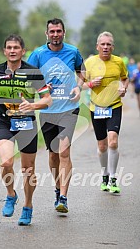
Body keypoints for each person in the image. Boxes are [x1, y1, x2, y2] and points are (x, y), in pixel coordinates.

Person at [0, 34, 52, 225]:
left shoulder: (33, 72)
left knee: (28, 170)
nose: (12, 51)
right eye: (9, 48)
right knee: (5, 162)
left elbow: (47, 100)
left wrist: (33, 106)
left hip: (27, 123)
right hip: (5, 121)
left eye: (16, 48)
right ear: (4, 51)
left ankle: (28, 206)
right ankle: (11, 194)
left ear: (23, 51)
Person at [27, 18, 84, 213]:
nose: (55, 35)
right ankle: (57, 189)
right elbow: (28, 79)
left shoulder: (73, 51)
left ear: (64, 33)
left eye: (59, 31)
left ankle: (64, 198)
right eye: (52, 31)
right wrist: (41, 89)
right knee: (53, 155)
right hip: (48, 110)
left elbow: (82, 72)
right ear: (47, 34)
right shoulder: (38, 54)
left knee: (64, 151)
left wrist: (79, 87)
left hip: (69, 108)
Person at [83, 31, 129, 193]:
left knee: (113, 141)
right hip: (96, 108)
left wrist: (124, 87)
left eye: (108, 44)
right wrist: (90, 84)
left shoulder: (118, 62)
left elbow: (125, 78)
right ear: (97, 46)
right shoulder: (89, 63)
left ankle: (114, 178)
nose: (105, 47)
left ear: (113, 47)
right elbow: (79, 83)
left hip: (114, 106)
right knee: (102, 146)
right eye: (102, 44)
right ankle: (104, 174)